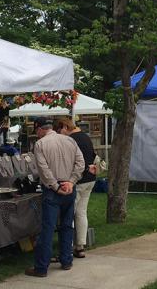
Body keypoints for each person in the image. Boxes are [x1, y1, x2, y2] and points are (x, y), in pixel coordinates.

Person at [25, 117, 84, 278]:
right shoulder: (70, 140)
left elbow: (43, 170)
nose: (37, 134)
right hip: (69, 188)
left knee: (48, 229)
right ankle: (66, 260)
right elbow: (80, 163)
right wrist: (71, 182)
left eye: (36, 131)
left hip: (53, 190)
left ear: (40, 129)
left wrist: (56, 186)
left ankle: (41, 268)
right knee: (67, 226)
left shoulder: (40, 144)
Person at [56, 117, 97, 259]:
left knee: (70, 213)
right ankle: (80, 246)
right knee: (81, 212)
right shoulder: (86, 137)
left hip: (78, 180)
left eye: (59, 130)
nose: (59, 134)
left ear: (64, 127)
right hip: (90, 179)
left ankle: (68, 246)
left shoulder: (71, 140)